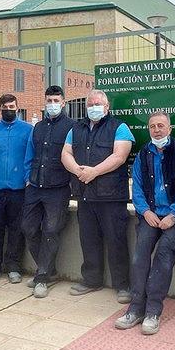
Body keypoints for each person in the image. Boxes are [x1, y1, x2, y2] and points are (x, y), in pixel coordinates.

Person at [115, 111, 175, 335]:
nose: (157, 130)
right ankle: (135, 308)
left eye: (161, 125)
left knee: (164, 254)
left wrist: (174, 214)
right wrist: (145, 211)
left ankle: (152, 311)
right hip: (150, 215)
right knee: (140, 254)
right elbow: (138, 188)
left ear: (170, 129)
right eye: (152, 126)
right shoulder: (144, 153)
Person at [62, 89, 134, 304]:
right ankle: (91, 280)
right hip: (85, 195)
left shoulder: (119, 127)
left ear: (106, 106)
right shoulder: (77, 128)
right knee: (88, 240)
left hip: (111, 197)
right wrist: (78, 171)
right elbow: (65, 153)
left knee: (116, 241)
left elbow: (120, 156)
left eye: (97, 104)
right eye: (90, 104)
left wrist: (94, 171)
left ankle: (123, 285)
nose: (93, 108)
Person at [22, 85, 75, 298]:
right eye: (49, 101)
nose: (52, 105)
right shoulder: (38, 127)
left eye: (56, 101)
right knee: (27, 228)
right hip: (35, 186)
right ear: (44, 102)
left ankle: (42, 276)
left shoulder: (72, 127)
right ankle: (48, 269)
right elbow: (30, 154)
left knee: (51, 230)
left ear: (63, 103)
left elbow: (75, 156)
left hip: (58, 188)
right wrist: (27, 178)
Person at [0, 93, 34, 284]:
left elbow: (31, 156)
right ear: (0, 109)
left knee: (16, 230)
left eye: (12, 107)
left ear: (17, 107)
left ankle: (13, 267)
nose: (9, 110)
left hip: (19, 190)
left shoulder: (28, 130)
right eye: (5, 107)